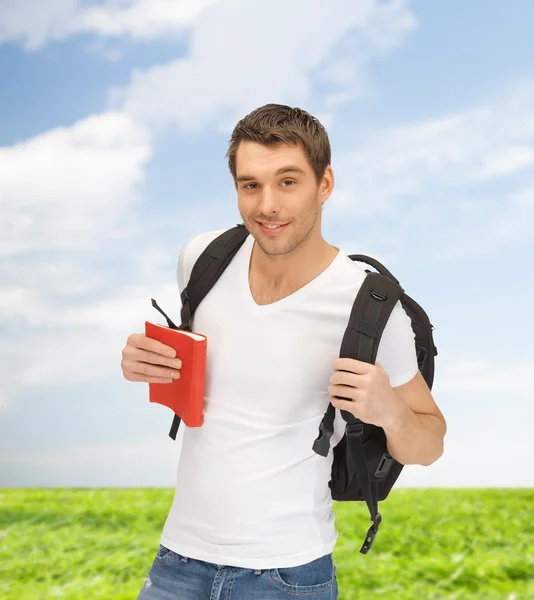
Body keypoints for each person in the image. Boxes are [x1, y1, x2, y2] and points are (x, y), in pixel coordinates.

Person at [121, 104, 447, 599]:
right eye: (250, 185)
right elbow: (208, 375)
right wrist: (145, 362)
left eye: (288, 182)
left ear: (325, 184)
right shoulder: (204, 259)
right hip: (176, 562)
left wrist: (391, 412)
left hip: (286, 577)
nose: (266, 205)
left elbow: (431, 442)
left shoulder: (372, 308)